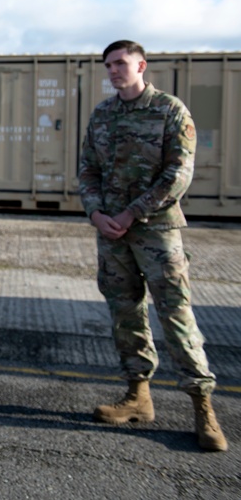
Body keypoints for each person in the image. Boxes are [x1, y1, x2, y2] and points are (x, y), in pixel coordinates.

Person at [78, 39, 228, 452]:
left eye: (120, 63)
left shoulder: (170, 110)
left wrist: (131, 214)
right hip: (111, 234)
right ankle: (137, 397)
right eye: (108, 65)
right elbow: (87, 169)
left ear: (141, 65)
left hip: (157, 231)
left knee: (176, 316)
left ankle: (203, 408)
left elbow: (179, 173)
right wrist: (95, 213)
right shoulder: (103, 114)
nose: (113, 71)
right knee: (125, 314)